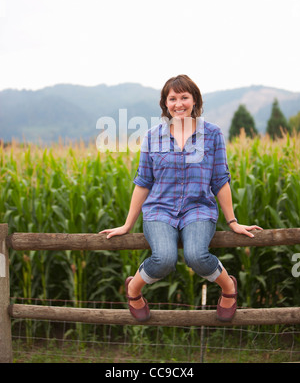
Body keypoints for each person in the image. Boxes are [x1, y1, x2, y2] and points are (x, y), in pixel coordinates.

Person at [100, 75, 262, 322]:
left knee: (196, 255)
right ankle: (134, 288)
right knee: (164, 259)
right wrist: (127, 224)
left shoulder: (213, 134)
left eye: (184, 97)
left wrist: (233, 221)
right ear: (165, 104)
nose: (179, 103)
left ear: (195, 100)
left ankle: (228, 287)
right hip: (159, 211)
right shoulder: (153, 136)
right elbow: (143, 182)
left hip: (198, 209)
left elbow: (220, 180)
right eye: (172, 98)